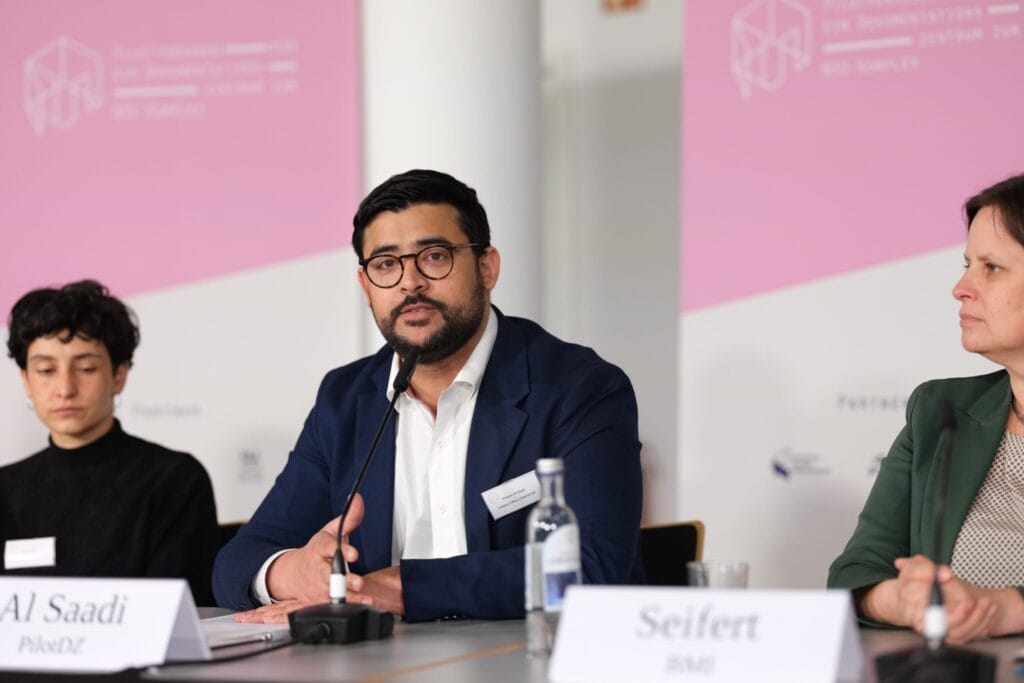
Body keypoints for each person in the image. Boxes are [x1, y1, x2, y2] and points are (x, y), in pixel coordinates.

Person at [214, 169, 643, 622]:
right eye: (385, 264)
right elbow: (236, 562)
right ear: (366, 287)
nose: (410, 282)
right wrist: (292, 573)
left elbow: (591, 564)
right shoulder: (345, 399)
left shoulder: (579, 387)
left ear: (487, 266)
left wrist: (400, 589)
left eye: (434, 257)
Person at [828, 172, 1024, 644]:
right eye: (966, 265)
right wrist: (896, 599)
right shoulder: (939, 410)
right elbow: (855, 573)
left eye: (991, 268)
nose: (961, 287)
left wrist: (1004, 610)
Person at [0, 280, 220, 605]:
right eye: (46, 369)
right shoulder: (5, 488)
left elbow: (175, 614)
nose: (65, 388)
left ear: (119, 375)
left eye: (86, 368)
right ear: (26, 381)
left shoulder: (174, 480)